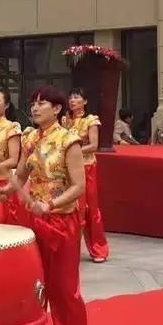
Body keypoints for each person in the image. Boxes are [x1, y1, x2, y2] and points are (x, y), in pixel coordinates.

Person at [5, 85, 95, 325]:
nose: (35, 107)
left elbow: (79, 186)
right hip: (34, 220)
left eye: (42, 103)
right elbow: (21, 175)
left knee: (64, 292)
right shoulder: (30, 138)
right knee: (32, 286)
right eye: (33, 102)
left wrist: (51, 204)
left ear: (57, 109)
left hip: (62, 223)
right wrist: (3, 189)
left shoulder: (69, 140)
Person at [68, 88, 109, 263]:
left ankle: (98, 248)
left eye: (76, 97)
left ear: (85, 101)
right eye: (70, 97)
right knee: (72, 208)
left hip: (87, 167)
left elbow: (93, 145)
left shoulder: (91, 120)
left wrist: (73, 151)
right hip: (69, 167)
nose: (72, 100)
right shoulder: (64, 120)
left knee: (90, 208)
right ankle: (70, 249)